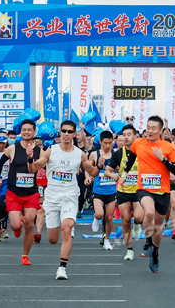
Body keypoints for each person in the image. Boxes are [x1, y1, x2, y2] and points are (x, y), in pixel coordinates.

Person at [31, 120, 99, 280]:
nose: (66, 134)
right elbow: (35, 167)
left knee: (67, 229)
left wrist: (100, 166)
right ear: (60, 133)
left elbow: (92, 171)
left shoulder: (79, 154)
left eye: (70, 131)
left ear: (74, 134)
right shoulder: (50, 151)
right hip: (52, 199)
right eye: (64, 131)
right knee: (53, 239)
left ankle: (62, 268)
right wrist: (30, 160)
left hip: (70, 197)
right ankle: (62, 224)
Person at [126, 115, 175, 273]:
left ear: (161, 130)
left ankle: (155, 252)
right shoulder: (138, 143)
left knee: (158, 226)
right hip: (144, 188)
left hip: (162, 190)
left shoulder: (168, 147)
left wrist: (163, 159)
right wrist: (123, 175)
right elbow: (131, 159)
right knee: (148, 213)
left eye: (153, 128)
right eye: (148, 127)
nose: (149, 131)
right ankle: (148, 241)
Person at [0, 120, 42, 264]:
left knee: (30, 223)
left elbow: (46, 166)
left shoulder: (40, 151)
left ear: (34, 132)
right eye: (24, 129)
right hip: (14, 193)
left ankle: (25, 255)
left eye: (29, 130)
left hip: (31, 193)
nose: (26, 132)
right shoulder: (12, 148)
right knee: (15, 225)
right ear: (20, 131)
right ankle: (18, 225)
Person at [105, 124, 144, 261]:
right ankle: (129, 250)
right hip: (123, 191)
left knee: (139, 217)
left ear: (135, 136)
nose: (126, 137)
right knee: (126, 220)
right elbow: (107, 171)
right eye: (124, 135)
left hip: (139, 191)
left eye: (129, 135)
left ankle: (138, 223)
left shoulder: (142, 152)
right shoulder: (118, 154)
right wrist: (113, 175)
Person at [89, 130, 118, 250]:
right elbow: (88, 168)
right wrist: (88, 177)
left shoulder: (115, 154)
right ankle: (96, 219)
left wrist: (117, 175)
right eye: (105, 143)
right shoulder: (94, 154)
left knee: (109, 217)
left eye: (110, 143)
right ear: (100, 142)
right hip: (98, 190)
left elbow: (119, 169)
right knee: (100, 214)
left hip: (111, 190)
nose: (107, 145)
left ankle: (107, 240)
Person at [34, 139, 47, 243]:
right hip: (29, 185)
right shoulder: (27, 155)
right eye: (36, 145)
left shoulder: (47, 156)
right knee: (30, 212)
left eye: (40, 145)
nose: (39, 147)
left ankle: (38, 232)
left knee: (40, 209)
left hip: (44, 186)